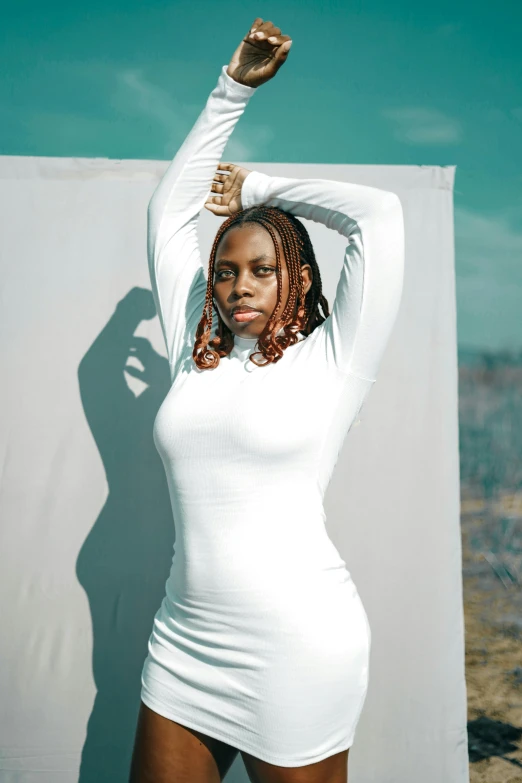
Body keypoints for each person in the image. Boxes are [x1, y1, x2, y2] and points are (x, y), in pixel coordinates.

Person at [129, 16, 404, 783]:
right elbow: (167, 213)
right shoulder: (198, 345)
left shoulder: (335, 358)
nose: (238, 286)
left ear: (300, 278)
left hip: (296, 647)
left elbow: (380, 215)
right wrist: (232, 91)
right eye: (224, 271)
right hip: (183, 642)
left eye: (260, 269)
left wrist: (258, 189)